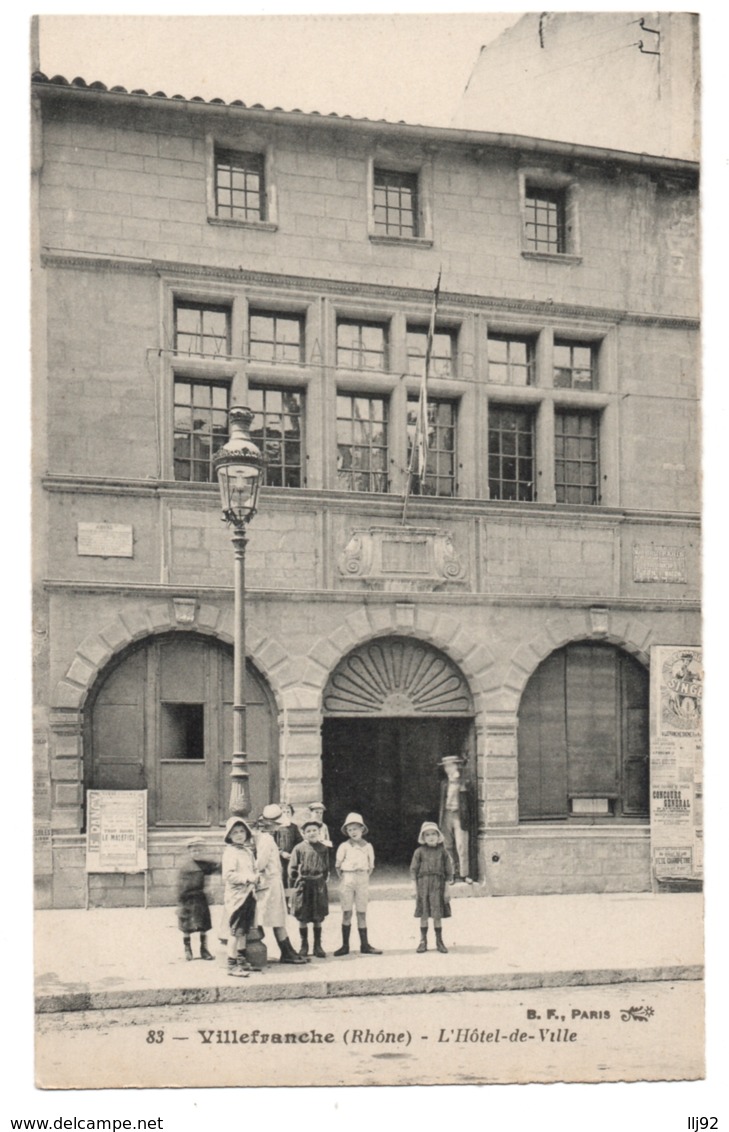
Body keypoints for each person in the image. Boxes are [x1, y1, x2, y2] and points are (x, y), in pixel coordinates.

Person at [253, 804, 308, 965]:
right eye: (275, 824)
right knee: (275, 919)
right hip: (268, 884)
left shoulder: (266, 838)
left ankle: (287, 951)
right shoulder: (266, 839)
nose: (277, 827)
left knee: (278, 918)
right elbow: (261, 863)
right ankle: (286, 951)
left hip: (273, 882)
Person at [333, 812, 381, 956]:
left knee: (361, 912)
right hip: (347, 878)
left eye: (355, 828)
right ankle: (345, 945)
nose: (353, 832)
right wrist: (346, 877)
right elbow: (338, 865)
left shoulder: (368, 846)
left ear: (362, 829)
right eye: (350, 829)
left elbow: (371, 866)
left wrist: (362, 876)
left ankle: (364, 945)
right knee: (347, 912)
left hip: (362, 878)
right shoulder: (344, 846)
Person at [222, 817, 258, 978]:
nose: (238, 835)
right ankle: (231, 964)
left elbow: (254, 869)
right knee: (235, 931)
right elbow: (228, 875)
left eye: (242, 831)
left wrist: (257, 877)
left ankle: (242, 960)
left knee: (244, 930)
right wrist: (247, 878)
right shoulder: (230, 852)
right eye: (234, 832)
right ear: (229, 836)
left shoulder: (248, 851)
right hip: (236, 898)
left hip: (249, 895)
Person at [410, 821, 454, 954]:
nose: (431, 837)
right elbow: (413, 870)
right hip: (423, 885)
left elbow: (448, 872)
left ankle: (439, 941)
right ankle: (423, 941)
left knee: (437, 914)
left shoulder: (443, 852)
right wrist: (414, 888)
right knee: (424, 913)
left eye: (433, 834)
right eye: (427, 835)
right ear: (423, 837)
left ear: (438, 835)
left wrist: (447, 890)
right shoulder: (419, 852)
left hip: (438, 885)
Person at [288, 818, 330, 958]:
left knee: (318, 916)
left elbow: (326, 868)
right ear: (304, 833)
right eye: (308, 831)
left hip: (318, 885)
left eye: (314, 831)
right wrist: (295, 876)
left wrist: (322, 880)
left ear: (319, 832)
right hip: (304, 885)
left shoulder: (323, 848)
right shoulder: (299, 848)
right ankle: (304, 945)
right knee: (302, 916)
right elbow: (292, 867)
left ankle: (318, 946)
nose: (312, 833)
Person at [176, 837, 220, 961]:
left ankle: (204, 949)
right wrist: (180, 903)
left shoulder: (205, 864)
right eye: (194, 850)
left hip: (201, 899)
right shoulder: (185, 867)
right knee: (186, 927)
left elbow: (217, 868)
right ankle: (187, 949)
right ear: (190, 852)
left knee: (203, 926)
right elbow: (180, 887)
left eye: (200, 850)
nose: (197, 853)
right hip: (187, 900)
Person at [438, 755, 474, 883]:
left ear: (457, 765)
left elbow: (469, 802)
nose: (448, 769)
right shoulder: (444, 783)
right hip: (447, 815)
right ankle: (451, 874)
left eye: (450, 765)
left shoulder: (464, 782)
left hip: (459, 816)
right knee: (447, 845)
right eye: (446, 766)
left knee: (461, 845)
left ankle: (465, 874)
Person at [273, 802, 302, 889]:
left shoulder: (293, 827)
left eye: (288, 812)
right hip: (279, 858)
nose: (286, 814)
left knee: (291, 876)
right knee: (281, 876)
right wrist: (281, 853)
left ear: (292, 814)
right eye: (283, 812)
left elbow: (299, 841)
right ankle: (283, 900)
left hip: (291, 857)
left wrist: (294, 853)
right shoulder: (276, 828)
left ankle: (290, 899)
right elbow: (273, 843)